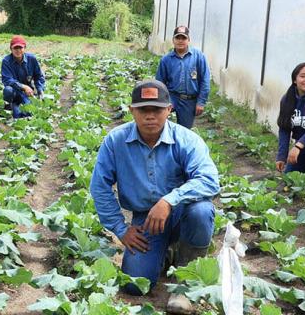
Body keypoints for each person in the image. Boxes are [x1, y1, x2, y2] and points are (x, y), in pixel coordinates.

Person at [90, 79, 219, 314]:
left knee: (201, 211)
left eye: (157, 109)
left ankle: (185, 285)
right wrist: (120, 229)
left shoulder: (186, 140)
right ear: (132, 111)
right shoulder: (115, 141)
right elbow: (100, 186)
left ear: (169, 110)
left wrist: (169, 200)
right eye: (143, 110)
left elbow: (209, 180)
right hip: (147, 220)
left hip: (184, 214)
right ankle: (166, 252)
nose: (150, 116)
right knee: (135, 285)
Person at [155, 26, 210, 129]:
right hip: (171, 97)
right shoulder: (166, 60)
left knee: (184, 131)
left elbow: (205, 81)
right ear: (173, 40)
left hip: (189, 100)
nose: (180, 41)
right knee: (159, 123)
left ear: (188, 40)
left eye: (183, 38)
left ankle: (179, 143)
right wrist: (159, 101)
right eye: (177, 38)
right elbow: (159, 82)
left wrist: (201, 102)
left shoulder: (198, 57)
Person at [1, 35, 45, 118]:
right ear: (11, 49)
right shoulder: (6, 61)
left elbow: (38, 76)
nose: (18, 51)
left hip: (28, 93)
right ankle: (8, 107)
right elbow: (7, 80)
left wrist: (40, 89)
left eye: (20, 48)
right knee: (8, 90)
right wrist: (23, 87)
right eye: (15, 48)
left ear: (24, 48)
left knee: (28, 113)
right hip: (15, 92)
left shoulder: (32, 59)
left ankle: (22, 108)